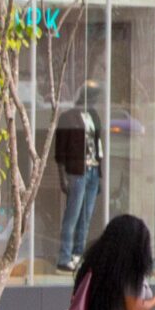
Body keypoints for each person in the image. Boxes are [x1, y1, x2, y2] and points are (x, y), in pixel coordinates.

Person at [53, 82, 104, 270]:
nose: (93, 101)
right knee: (72, 215)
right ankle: (64, 256)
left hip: (92, 170)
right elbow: (59, 150)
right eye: (91, 97)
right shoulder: (68, 117)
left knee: (86, 215)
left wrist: (99, 173)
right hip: (76, 171)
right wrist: (62, 176)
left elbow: (98, 144)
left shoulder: (94, 116)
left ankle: (78, 254)